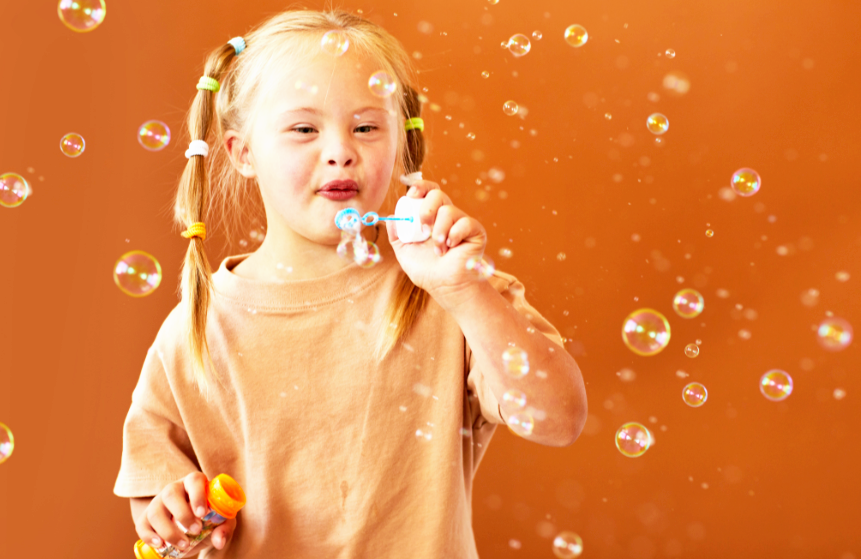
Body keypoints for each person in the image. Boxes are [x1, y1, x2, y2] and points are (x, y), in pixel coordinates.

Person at [113, 9, 587, 558]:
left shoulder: (447, 294)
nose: (340, 150)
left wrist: (464, 291)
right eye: (304, 129)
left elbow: (557, 418)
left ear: (400, 146)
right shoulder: (195, 329)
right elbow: (154, 503)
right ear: (242, 153)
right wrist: (174, 513)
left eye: (366, 126)